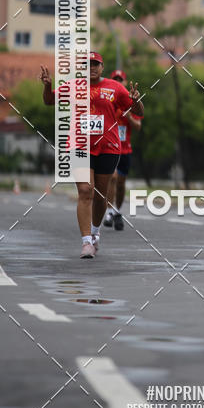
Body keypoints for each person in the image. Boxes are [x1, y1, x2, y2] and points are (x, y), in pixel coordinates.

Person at [40, 51, 144, 259]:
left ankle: (95, 233)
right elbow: (49, 100)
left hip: (108, 147)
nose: (92, 67)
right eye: (88, 64)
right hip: (79, 145)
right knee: (86, 190)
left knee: (101, 196)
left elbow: (139, 112)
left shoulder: (115, 88)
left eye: (96, 64)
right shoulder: (74, 86)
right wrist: (47, 86)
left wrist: (135, 101)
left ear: (102, 67)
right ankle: (86, 241)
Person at [103, 69, 142, 231]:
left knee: (121, 182)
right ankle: (110, 211)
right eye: (115, 79)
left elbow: (138, 127)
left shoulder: (129, 102)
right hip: (110, 147)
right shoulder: (108, 101)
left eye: (121, 79)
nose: (118, 82)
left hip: (125, 149)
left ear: (125, 82)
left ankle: (117, 211)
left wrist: (129, 117)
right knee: (112, 177)